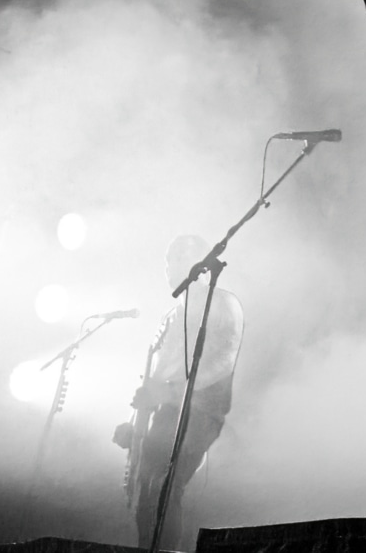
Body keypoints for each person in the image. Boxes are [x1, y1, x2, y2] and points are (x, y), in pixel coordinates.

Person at [113, 234, 244, 547]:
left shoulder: (223, 302)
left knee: (166, 485)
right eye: (167, 261)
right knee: (146, 494)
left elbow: (222, 363)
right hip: (164, 414)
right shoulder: (171, 316)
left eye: (176, 258)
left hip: (201, 411)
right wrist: (132, 423)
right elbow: (154, 377)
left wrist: (171, 393)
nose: (168, 267)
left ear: (199, 262)